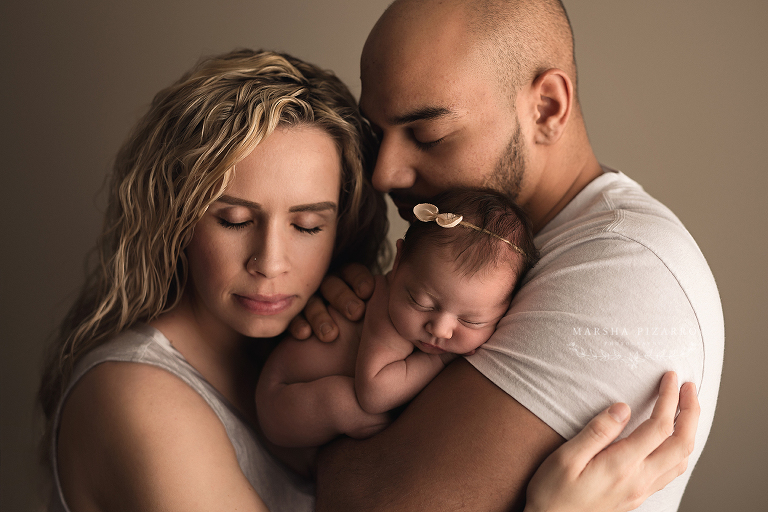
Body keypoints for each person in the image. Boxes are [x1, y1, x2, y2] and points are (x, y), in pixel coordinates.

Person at [37, 46, 698, 512]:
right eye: (235, 219)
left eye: (307, 226)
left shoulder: (325, 340)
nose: (272, 262)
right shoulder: (135, 397)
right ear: (176, 219)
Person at [294, 1, 723, 511]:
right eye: (377, 135)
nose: (384, 174)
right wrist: (330, 348)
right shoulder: (452, 257)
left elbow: (360, 500)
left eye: (427, 134)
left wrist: (318, 426)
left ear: (545, 107)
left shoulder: (627, 271)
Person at [256, 189, 538, 447]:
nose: (439, 329)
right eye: (420, 302)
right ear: (398, 262)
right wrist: (438, 359)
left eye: (471, 321)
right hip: (281, 399)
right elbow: (375, 393)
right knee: (351, 404)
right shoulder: (386, 312)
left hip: (299, 407)